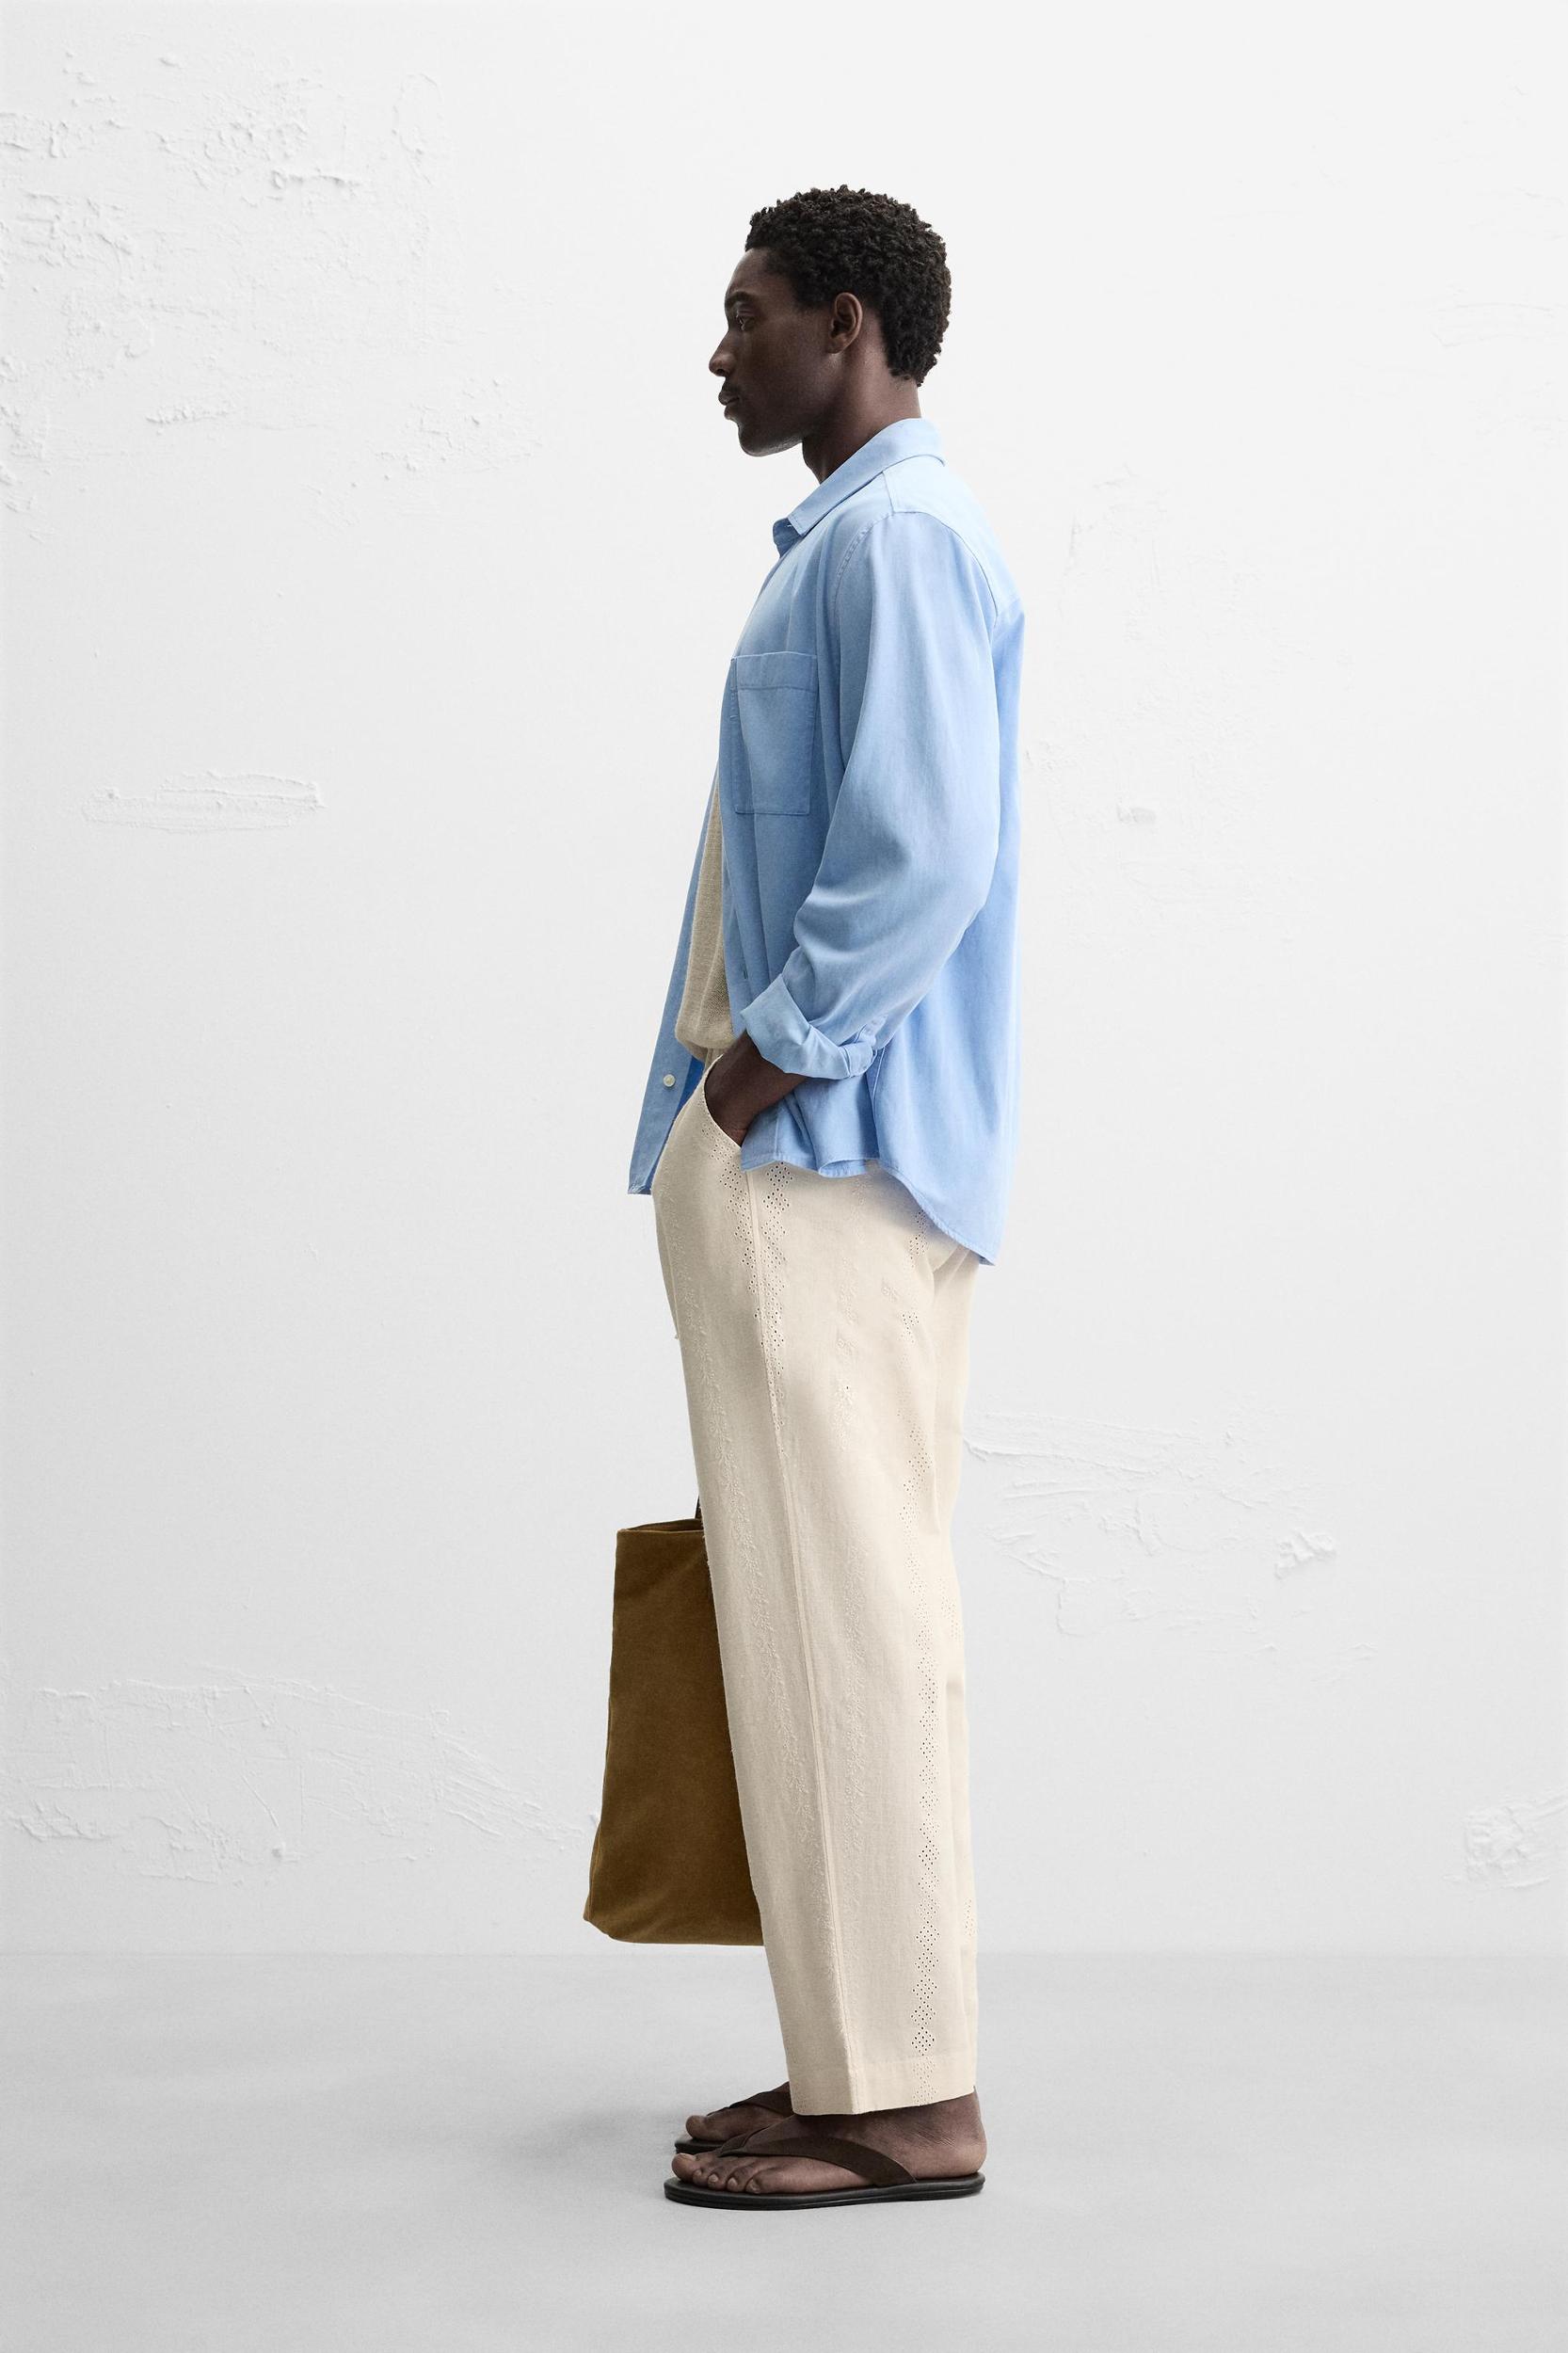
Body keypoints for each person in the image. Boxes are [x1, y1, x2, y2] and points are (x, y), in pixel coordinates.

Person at [627, 184, 1025, 2210]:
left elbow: (922, 851)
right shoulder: (859, 541)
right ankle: (853, 2061)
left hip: (824, 1164)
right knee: (802, 1619)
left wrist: (761, 1066)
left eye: (749, 312)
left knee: (846, 1620)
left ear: (845, 325)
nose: (721, 352)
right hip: (806, 1160)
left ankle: (909, 2103)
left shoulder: (898, 540)